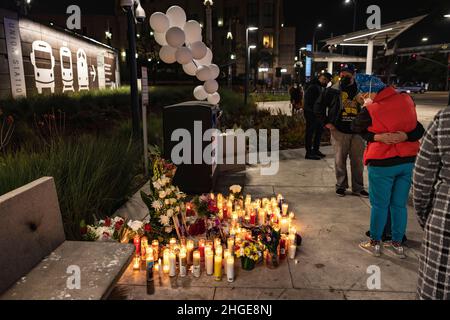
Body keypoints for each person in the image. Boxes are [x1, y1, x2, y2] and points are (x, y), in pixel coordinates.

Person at [351, 74, 424, 258]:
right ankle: (397, 244)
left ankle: (375, 243)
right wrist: (405, 136)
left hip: (382, 162)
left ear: (371, 91)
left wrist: (376, 136)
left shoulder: (372, 110)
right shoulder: (407, 100)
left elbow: (356, 126)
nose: (362, 97)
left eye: (363, 94)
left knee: (380, 205)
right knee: (399, 205)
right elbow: (419, 128)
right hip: (407, 162)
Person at [413, 92, 450, 299]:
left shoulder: (445, 120)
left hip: (445, 223)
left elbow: (422, 176)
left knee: (437, 289)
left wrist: (427, 218)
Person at [314, 64, 368, 198]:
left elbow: (371, 106)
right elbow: (318, 106)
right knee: (339, 160)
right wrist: (326, 122)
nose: (344, 76)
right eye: (342, 74)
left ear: (353, 75)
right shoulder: (332, 90)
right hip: (339, 130)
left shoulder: (361, 89)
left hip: (358, 131)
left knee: (358, 161)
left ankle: (358, 188)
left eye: (347, 74)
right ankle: (341, 186)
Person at [303, 72, 332, 160]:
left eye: (328, 81)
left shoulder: (320, 87)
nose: (326, 82)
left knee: (319, 132)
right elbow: (308, 103)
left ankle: (315, 150)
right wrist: (313, 114)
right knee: (310, 133)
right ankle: (309, 153)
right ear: (321, 78)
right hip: (311, 114)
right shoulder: (313, 87)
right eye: (325, 80)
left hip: (318, 114)